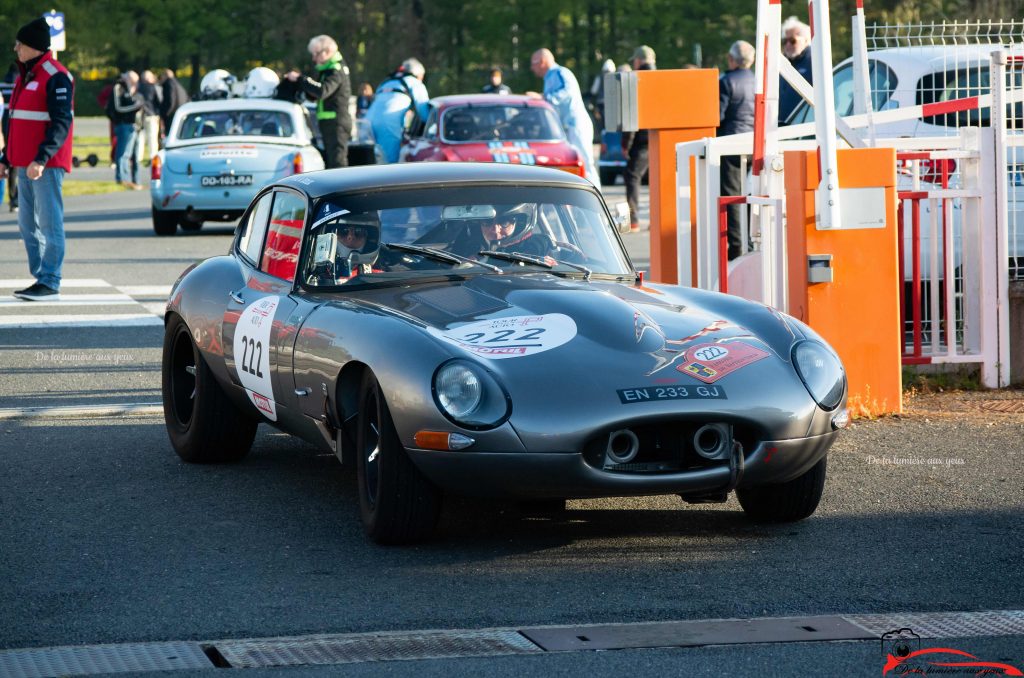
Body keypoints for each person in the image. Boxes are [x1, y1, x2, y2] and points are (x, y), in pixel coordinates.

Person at [0, 17, 75, 301]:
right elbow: (15, 121)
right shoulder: (26, 76)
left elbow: (60, 123)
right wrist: (5, 158)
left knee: (49, 223)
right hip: (23, 164)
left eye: (20, 43)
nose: (16, 48)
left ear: (33, 46)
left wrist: (42, 158)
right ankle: (41, 276)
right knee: (26, 225)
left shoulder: (56, 76)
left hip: (44, 166)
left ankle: (50, 279)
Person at [527, 48, 599, 188]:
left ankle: (595, 200)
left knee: (585, 164)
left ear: (542, 62)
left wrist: (543, 98)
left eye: (533, 63)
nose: (532, 68)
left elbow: (567, 92)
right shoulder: (550, 77)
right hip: (566, 128)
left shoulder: (560, 73)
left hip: (576, 126)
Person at [284, 35, 352, 169]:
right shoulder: (327, 70)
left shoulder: (335, 70)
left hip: (336, 123)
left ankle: (340, 189)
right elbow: (317, 95)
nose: (313, 59)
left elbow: (322, 91)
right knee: (331, 161)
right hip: (329, 123)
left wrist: (300, 79)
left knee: (338, 163)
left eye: (315, 54)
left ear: (326, 52)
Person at [718, 40, 756, 260]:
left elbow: (719, 115)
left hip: (731, 144)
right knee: (753, 193)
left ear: (731, 59)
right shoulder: (758, 80)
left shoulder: (725, 82)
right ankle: (751, 240)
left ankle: (736, 247)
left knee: (731, 196)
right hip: (754, 143)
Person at [365, 58, 429, 163]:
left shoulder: (386, 81)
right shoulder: (415, 83)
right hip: (387, 124)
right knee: (390, 165)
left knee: (372, 161)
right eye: (422, 76)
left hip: (367, 120)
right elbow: (424, 113)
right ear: (417, 74)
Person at [622, 46, 655, 231]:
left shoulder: (636, 79)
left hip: (642, 139)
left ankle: (633, 220)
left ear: (638, 61)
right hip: (659, 136)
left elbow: (631, 115)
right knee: (655, 178)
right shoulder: (661, 78)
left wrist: (626, 142)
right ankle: (656, 219)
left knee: (632, 176)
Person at [106, 70, 143, 190]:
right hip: (123, 124)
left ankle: (134, 180)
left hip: (133, 126)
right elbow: (118, 108)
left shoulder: (130, 90)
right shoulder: (118, 87)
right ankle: (123, 178)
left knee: (134, 154)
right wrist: (135, 107)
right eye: (133, 81)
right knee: (123, 153)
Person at [778, 16, 812, 124]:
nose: (788, 45)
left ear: (806, 40)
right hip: (780, 126)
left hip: (804, 128)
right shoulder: (781, 63)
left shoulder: (815, 62)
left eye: (792, 41)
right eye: (785, 41)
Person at [136, 70, 161, 166]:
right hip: (152, 115)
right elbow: (159, 101)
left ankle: (138, 158)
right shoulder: (154, 87)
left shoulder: (138, 88)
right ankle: (153, 157)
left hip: (141, 115)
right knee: (152, 138)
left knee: (141, 137)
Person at [158, 69, 190, 136]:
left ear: (165, 76)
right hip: (180, 113)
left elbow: (170, 100)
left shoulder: (168, 84)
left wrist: (164, 114)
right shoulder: (178, 84)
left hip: (171, 116)